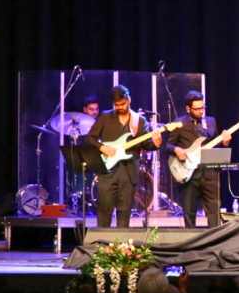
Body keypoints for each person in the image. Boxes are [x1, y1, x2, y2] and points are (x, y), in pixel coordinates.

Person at [83, 85, 162, 227]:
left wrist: (156, 143)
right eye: (117, 105)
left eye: (122, 104)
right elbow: (90, 138)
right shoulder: (105, 117)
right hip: (107, 173)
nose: (120, 107)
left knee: (124, 216)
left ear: (129, 100)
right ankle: (102, 241)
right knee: (104, 214)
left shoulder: (139, 121)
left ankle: (122, 242)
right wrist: (102, 147)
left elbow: (146, 145)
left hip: (129, 173)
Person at [161, 90, 231, 228]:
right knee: (189, 212)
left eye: (202, 107)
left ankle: (215, 236)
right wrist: (176, 150)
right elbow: (167, 146)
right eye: (197, 108)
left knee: (214, 211)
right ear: (188, 109)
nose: (201, 111)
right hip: (189, 173)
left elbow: (215, 145)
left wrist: (225, 142)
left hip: (209, 172)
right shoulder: (179, 123)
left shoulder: (210, 121)